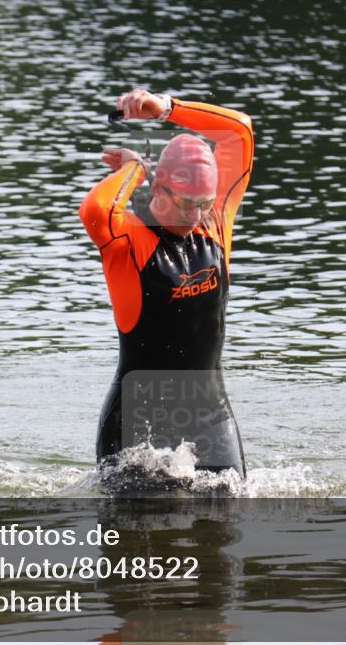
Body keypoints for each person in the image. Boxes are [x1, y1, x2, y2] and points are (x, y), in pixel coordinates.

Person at [79, 88, 255, 479]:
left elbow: (239, 131)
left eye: (205, 203)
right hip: (135, 422)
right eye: (186, 203)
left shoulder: (215, 225)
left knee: (231, 513)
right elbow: (95, 210)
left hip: (210, 417)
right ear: (159, 188)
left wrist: (167, 108)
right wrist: (134, 169)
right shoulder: (129, 241)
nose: (196, 214)